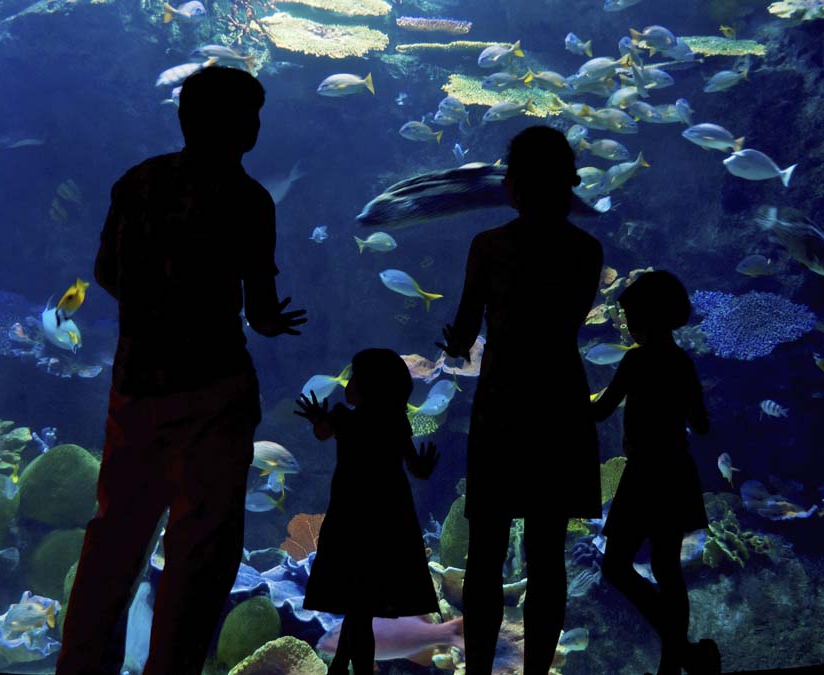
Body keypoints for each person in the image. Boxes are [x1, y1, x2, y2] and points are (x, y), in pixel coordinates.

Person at [55, 66, 306, 675]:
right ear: (241, 127)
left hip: (138, 384)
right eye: (252, 116)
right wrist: (271, 325)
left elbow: (109, 274)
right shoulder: (249, 200)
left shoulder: (137, 183)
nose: (255, 127)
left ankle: (81, 668)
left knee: (116, 535)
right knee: (203, 546)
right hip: (215, 389)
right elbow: (262, 308)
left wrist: (156, 302)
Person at [437, 125, 604, 675]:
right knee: (548, 551)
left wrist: (456, 344)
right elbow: (569, 323)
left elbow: (464, 333)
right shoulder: (586, 249)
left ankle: (480, 673)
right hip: (559, 396)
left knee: (485, 552)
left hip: (503, 400)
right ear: (567, 184)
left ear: (512, 186)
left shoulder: (489, 247)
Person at [592, 271, 721, 675]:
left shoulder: (635, 360)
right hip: (676, 471)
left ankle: (680, 654)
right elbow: (700, 425)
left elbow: (601, 409)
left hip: (646, 472)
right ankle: (676, 661)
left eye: (629, 316)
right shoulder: (681, 361)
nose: (627, 325)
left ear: (647, 316)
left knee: (615, 566)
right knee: (668, 569)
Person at [294, 348, 440, 675]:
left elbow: (322, 433)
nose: (348, 383)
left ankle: (352, 669)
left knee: (356, 606)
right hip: (389, 517)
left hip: (351, 516)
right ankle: (343, 667)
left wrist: (318, 418)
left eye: (354, 377)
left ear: (367, 384)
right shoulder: (396, 421)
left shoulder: (346, 418)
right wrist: (426, 467)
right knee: (363, 606)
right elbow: (414, 466)